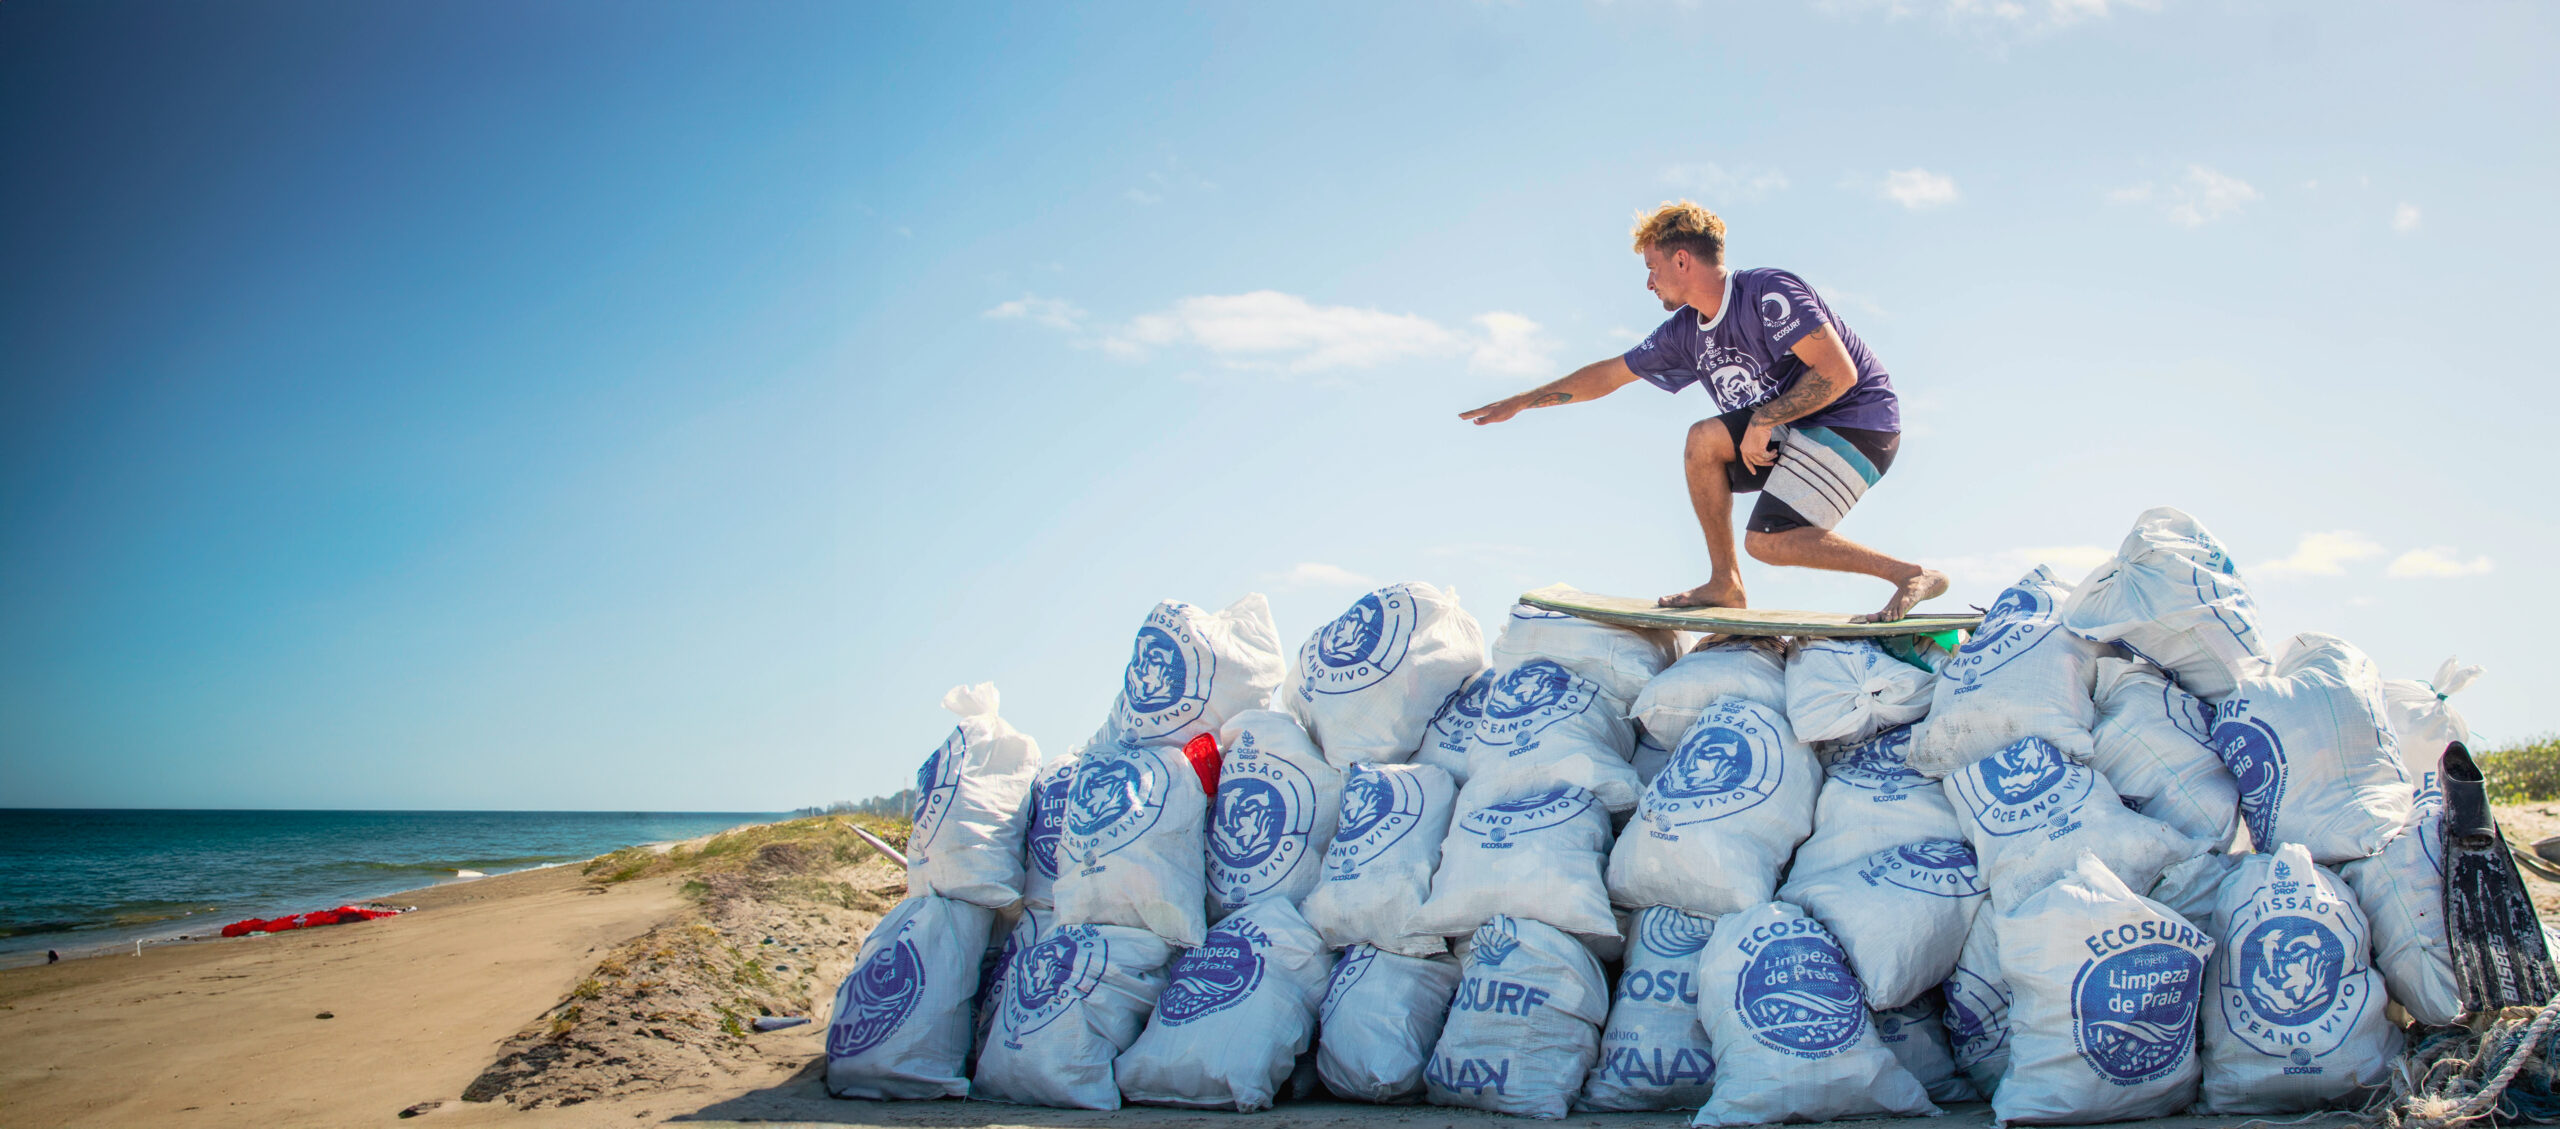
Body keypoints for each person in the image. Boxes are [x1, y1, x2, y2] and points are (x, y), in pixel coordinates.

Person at [1459, 200, 1947, 623]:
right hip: (1793, 426)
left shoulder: (1766, 292)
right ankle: (1725, 584)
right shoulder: (1684, 332)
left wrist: (1763, 419)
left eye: (1652, 268)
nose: (1649, 283)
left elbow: (1839, 374)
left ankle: (1913, 574)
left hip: (1857, 420)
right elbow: (1609, 374)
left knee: (1768, 541)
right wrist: (1522, 401)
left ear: (1681, 259)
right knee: (1703, 440)